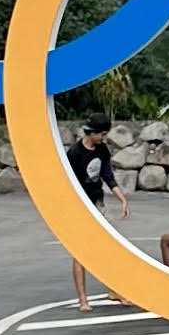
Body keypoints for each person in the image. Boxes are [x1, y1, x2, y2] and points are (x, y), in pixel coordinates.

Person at [63, 117, 130, 310]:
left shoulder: (102, 150)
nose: (104, 137)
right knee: (80, 253)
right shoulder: (75, 153)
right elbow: (69, 182)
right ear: (91, 132)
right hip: (79, 206)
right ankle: (83, 300)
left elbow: (107, 176)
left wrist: (122, 199)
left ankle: (115, 290)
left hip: (98, 202)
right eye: (102, 133)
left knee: (110, 246)